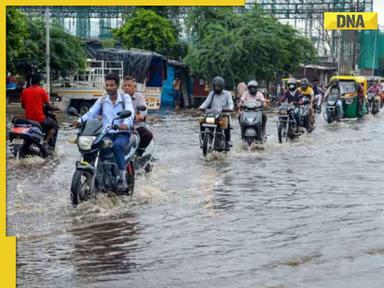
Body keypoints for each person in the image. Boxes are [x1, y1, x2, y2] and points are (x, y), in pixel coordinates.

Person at [73, 73, 134, 190]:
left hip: (122, 132)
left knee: (117, 146)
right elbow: (91, 113)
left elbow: (129, 112)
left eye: (112, 85)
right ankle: (99, 173)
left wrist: (125, 125)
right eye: (107, 85)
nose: (109, 88)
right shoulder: (102, 100)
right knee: (94, 146)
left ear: (117, 85)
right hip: (107, 132)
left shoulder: (125, 98)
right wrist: (80, 121)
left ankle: (122, 178)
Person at [20, 73, 59, 149]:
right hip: (40, 119)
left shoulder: (25, 91)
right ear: (39, 82)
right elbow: (48, 106)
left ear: (31, 81)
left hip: (28, 120)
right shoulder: (41, 91)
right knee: (54, 125)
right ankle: (46, 142)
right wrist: (57, 108)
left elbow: (23, 106)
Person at [198, 76, 234, 149]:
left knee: (225, 122)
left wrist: (229, 109)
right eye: (215, 86)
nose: (217, 88)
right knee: (202, 120)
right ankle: (203, 140)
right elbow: (206, 103)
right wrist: (201, 108)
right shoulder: (212, 94)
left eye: (218, 86)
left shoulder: (227, 94)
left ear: (222, 86)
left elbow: (231, 104)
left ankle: (227, 141)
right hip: (212, 115)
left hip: (223, 114)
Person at [122, 76, 153, 156]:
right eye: (125, 85)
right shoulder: (120, 97)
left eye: (129, 85)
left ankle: (139, 152)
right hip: (121, 126)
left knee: (148, 135)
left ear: (134, 87)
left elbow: (142, 116)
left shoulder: (139, 97)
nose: (127, 87)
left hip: (136, 125)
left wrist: (133, 117)